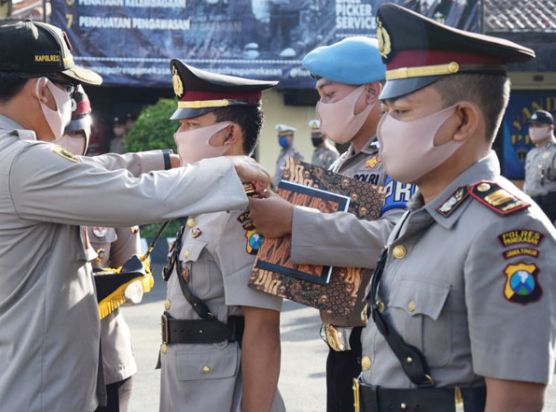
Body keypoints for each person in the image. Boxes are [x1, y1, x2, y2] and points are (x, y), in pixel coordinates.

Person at [0, 20, 270, 412]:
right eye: (67, 87)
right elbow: (136, 196)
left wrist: (168, 160)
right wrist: (226, 170)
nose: (70, 100)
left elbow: (94, 169)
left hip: (3, 379)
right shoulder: (24, 162)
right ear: (41, 90)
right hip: (29, 390)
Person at [357, 4, 555, 411]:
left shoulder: (505, 231)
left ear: (463, 121)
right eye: (386, 113)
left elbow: (515, 400)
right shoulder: (419, 216)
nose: (384, 130)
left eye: (401, 112)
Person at [249, 36, 415, 412]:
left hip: (382, 346)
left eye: (329, 94)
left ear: (372, 92)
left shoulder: (400, 157)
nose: (321, 107)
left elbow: (394, 238)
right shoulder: (342, 163)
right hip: (340, 346)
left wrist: (294, 220)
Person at [159, 58, 285, 412]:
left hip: (222, 394)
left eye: (193, 124)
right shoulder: (204, 197)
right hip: (191, 386)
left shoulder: (244, 208)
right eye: (181, 124)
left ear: (229, 134)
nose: (180, 134)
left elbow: (262, 329)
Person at [59, 87, 138, 412]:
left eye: (77, 132)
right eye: (64, 132)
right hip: (52, 363)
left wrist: (118, 285)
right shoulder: (24, 188)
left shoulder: (108, 190)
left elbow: (135, 281)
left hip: (108, 360)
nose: (69, 142)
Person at [523, 109, 556, 223]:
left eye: (538, 125)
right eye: (531, 126)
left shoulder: (554, 152)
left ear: (550, 128)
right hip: (532, 209)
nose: (533, 129)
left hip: (550, 211)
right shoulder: (531, 154)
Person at [273, 123, 303, 187]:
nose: (281, 139)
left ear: (291, 137)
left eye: (283, 136)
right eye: (280, 137)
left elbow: (296, 179)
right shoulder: (282, 152)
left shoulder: (296, 154)